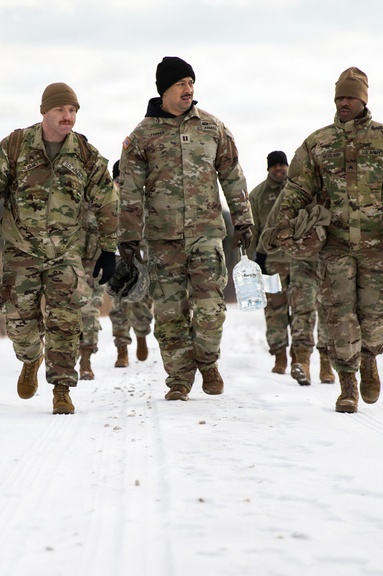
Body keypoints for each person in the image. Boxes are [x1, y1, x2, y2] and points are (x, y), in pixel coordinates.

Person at [274, 67, 383, 413]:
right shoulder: (318, 143)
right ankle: (347, 386)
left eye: (350, 97)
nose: (343, 103)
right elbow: (297, 188)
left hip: (378, 243)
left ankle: (369, 360)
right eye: (339, 97)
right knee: (339, 314)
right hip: (334, 244)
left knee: (373, 314)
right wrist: (285, 222)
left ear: (363, 100)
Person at [0, 82, 119, 415]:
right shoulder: (15, 146)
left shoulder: (85, 155)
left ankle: (62, 389)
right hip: (20, 249)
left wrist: (109, 249)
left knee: (65, 322)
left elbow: (108, 202)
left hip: (65, 253)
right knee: (19, 322)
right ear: (45, 111)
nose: (68, 117)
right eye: (61, 110)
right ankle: (30, 357)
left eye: (73, 111)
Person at [118, 56, 254, 401]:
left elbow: (233, 176)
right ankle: (179, 378)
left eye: (191, 82)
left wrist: (244, 220)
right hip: (162, 239)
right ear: (164, 89)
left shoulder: (212, 128)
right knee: (168, 313)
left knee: (210, 308)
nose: (189, 89)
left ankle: (207, 361)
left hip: (207, 233)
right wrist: (129, 239)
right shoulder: (141, 136)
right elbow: (130, 192)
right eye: (181, 83)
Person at [249, 150, 335, 386]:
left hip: (303, 259)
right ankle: (279, 356)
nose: (279, 169)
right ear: (268, 169)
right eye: (274, 166)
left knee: (305, 307)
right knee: (275, 310)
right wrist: (255, 259)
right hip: (272, 261)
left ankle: (302, 357)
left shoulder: (302, 189)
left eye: (282, 165)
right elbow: (253, 229)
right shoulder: (257, 195)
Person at [107, 160, 154, 367]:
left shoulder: (142, 197)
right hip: (116, 255)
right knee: (118, 303)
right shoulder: (107, 197)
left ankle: (142, 336)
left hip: (141, 255)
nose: (121, 183)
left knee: (142, 302)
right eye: (118, 179)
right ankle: (121, 349)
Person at [77, 201, 106, 380]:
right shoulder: (65, 184)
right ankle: (65, 357)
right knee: (64, 311)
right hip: (65, 260)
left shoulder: (102, 189)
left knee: (89, 310)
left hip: (95, 261)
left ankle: (85, 360)